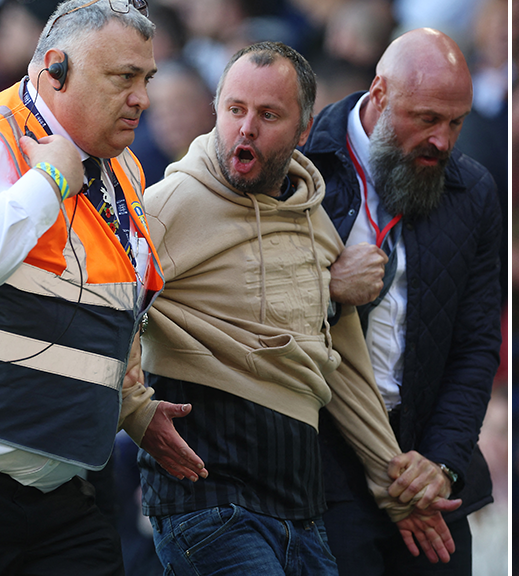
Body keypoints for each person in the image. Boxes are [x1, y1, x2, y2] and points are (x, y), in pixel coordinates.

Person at [137, 41, 456, 575]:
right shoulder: (170, 205)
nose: (245, 128)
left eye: (268, 115)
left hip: (301, 512)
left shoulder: (314, 223)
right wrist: (135, 408)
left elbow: (345, 365)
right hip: (208, 504)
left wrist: (391, 483)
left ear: (304, 130)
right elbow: (111, 305)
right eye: (234, 110)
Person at [0, 1, 208, 574]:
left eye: (148, 79)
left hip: (75, 492)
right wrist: (50, 181)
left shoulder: (125, 168)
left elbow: (108, 312)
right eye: (125, 78)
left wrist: (133, 406)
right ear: (56, 69)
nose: (143, 97)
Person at [300, 27, 503, 575]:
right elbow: (261, 313)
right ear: (381, 94)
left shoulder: (474, 190)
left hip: (429, 467)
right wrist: (329, 288)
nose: (443, 140)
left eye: (456, 122)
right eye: (427, 119)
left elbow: (477, 345)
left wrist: (440, 463)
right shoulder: (299, 169)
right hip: (325, 467)